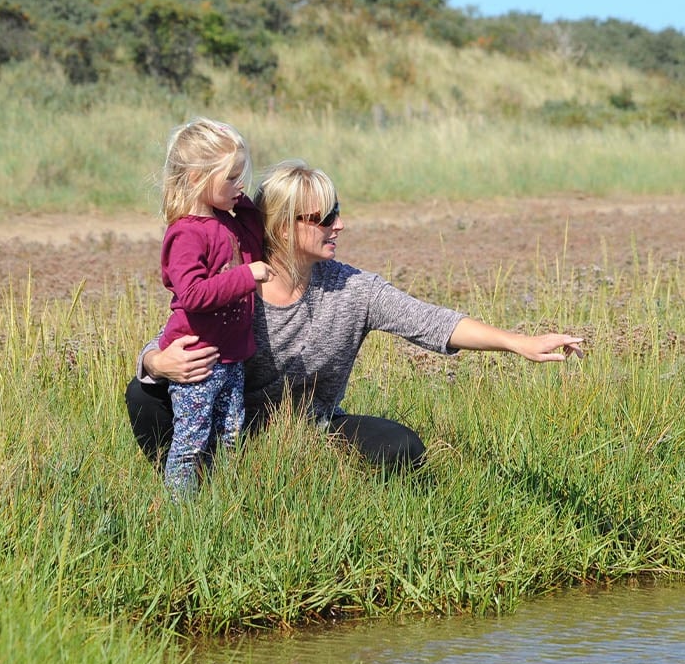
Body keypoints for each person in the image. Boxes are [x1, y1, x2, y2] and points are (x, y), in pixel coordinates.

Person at [126, 159, 583, 475]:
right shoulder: (239, 280)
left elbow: (432, 322)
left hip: (311, 429)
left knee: (401, 448)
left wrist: (518, 342)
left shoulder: (352, 289)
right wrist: (154, 364)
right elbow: (175, 333)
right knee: (144, 397)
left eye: (338, 212)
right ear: (284, 226)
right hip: (224, 421)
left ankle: (306, 477)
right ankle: (190, 484)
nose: (339, 225)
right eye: (324, 217)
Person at [155, 117, 273, 498]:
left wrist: (247, 207)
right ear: (195, 178)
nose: (240, 184)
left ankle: (220, 502)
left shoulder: (228, 222)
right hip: (198, 359)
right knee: (191, 440)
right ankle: (180, 510)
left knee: (229, 437)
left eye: (242, 176)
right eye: (231, 178)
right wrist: (245, 277)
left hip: (230, 358)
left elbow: (255, 245)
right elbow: (191, 293)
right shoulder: (186, 232)